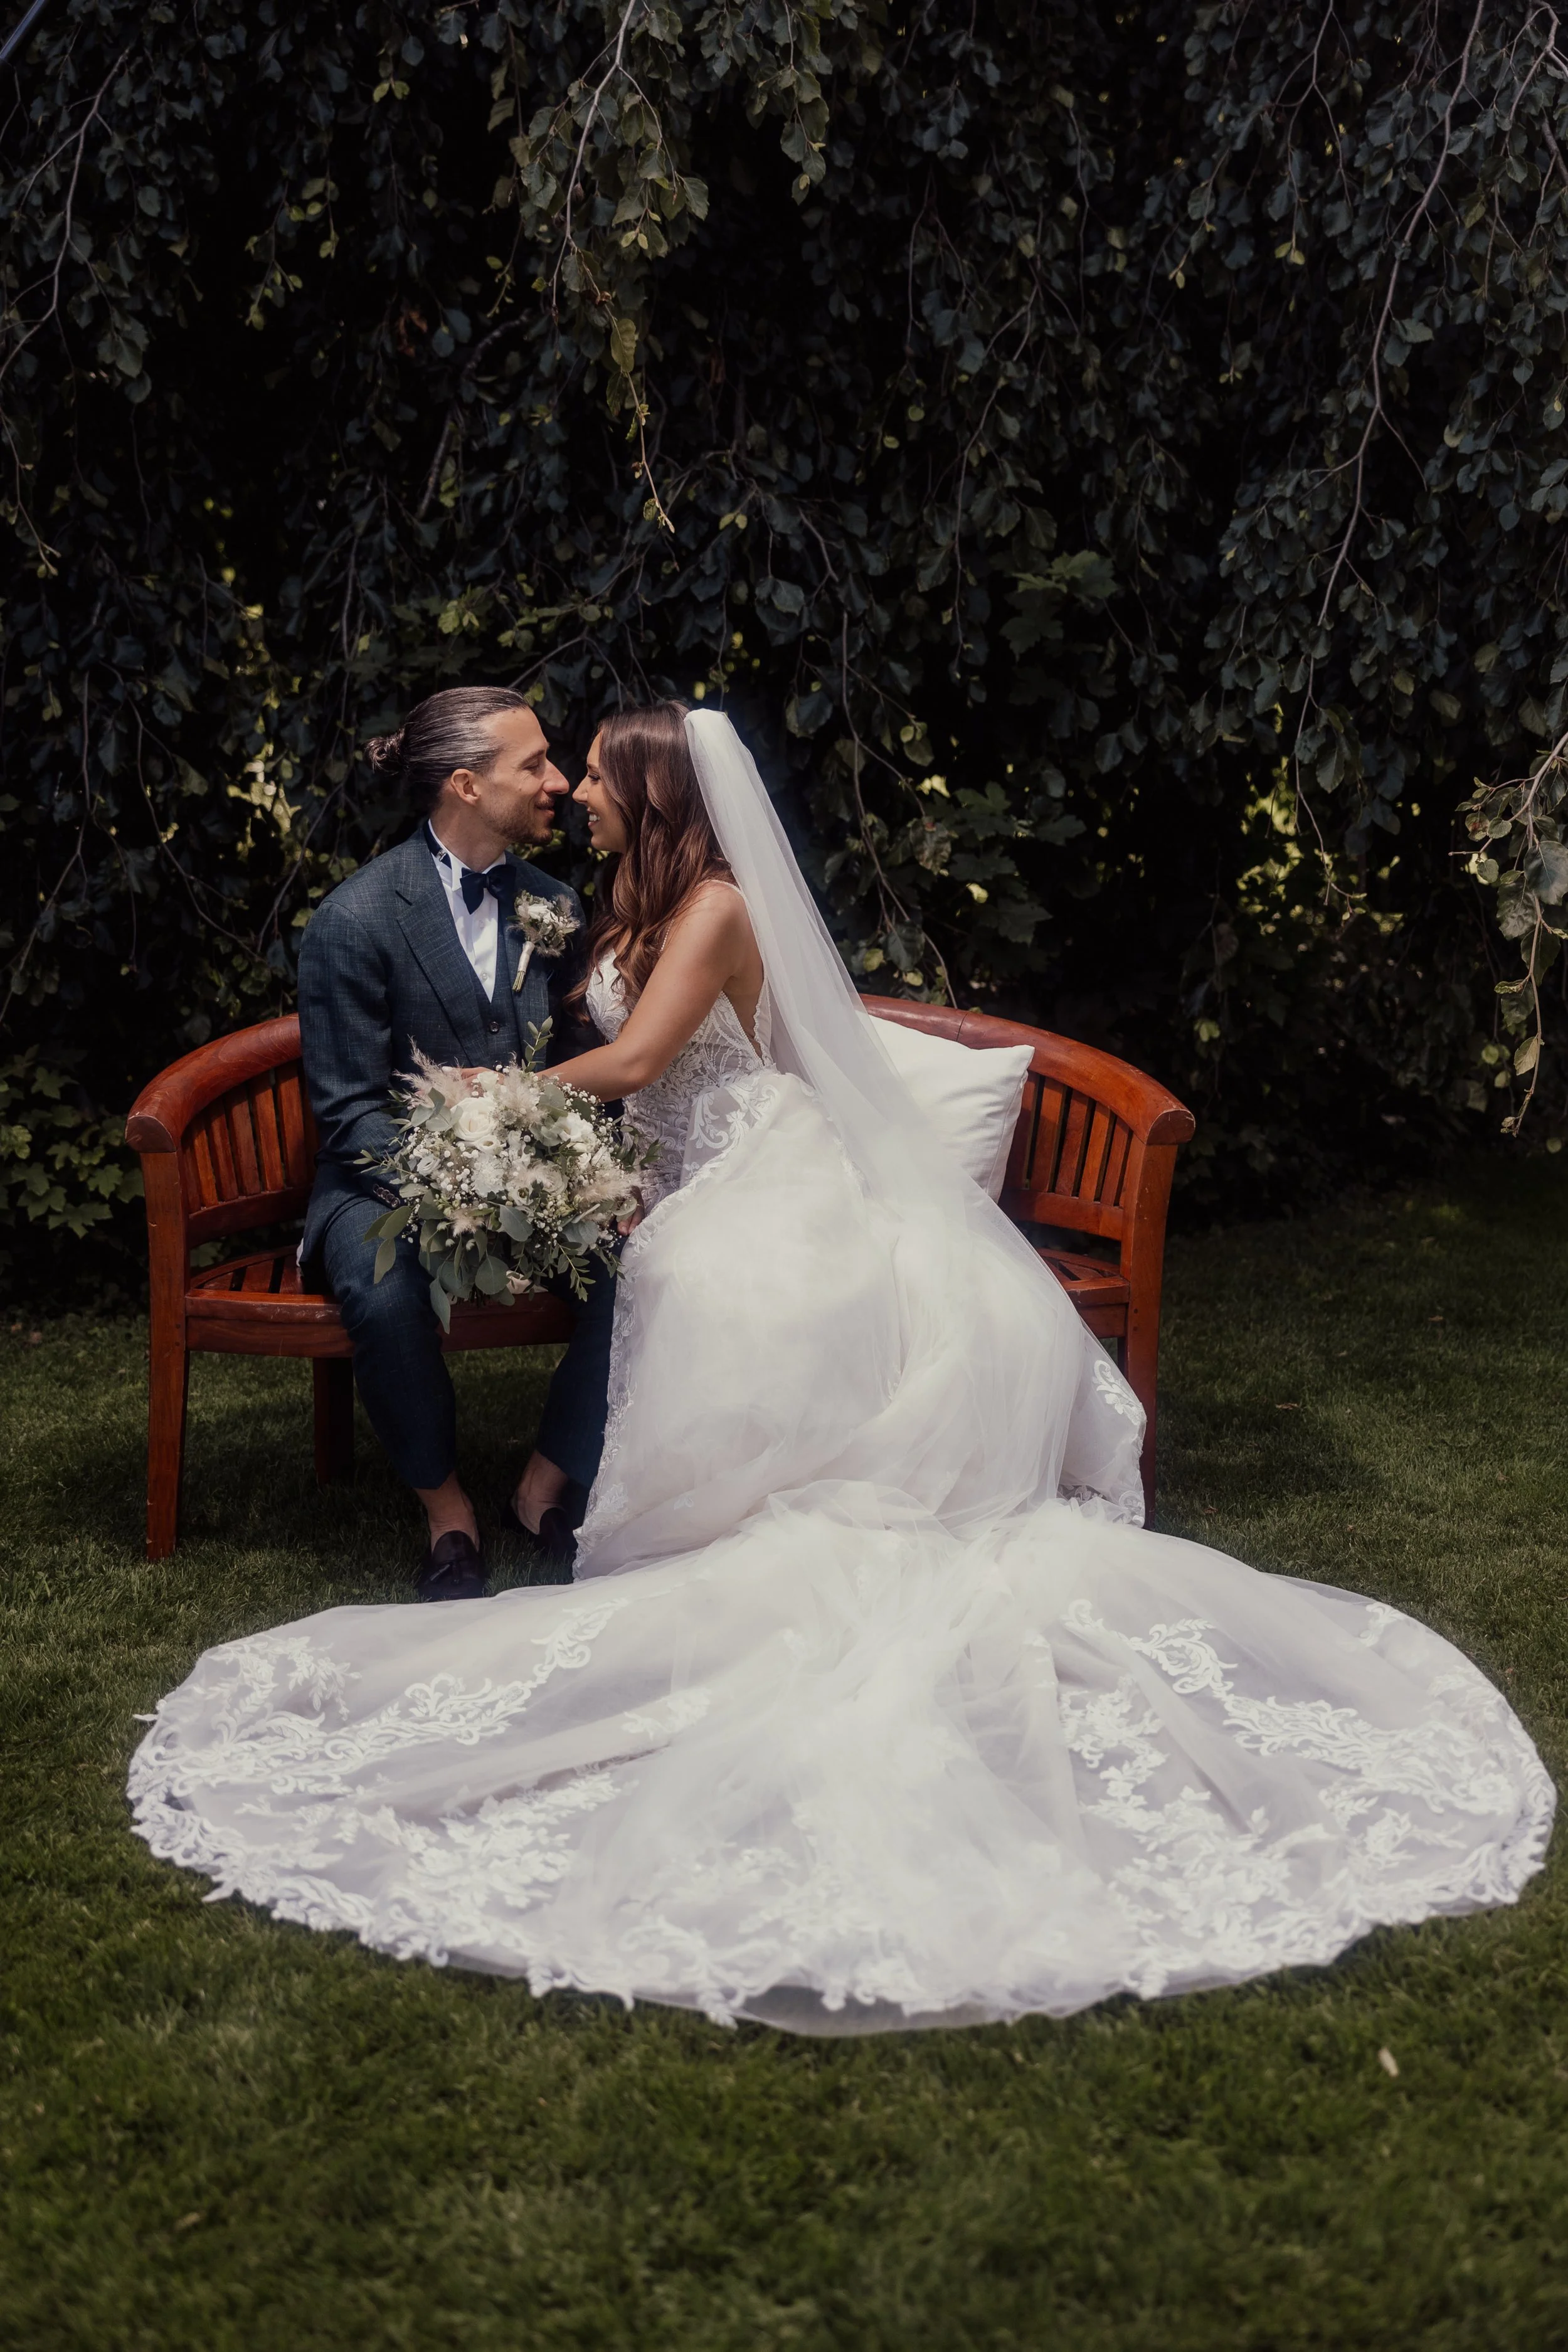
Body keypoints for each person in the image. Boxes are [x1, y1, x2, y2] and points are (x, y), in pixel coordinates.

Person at [130, 704, 1553, 2037]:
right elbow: (551, 1068)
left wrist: (493, 1110)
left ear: (653, 797)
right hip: (612, 1167)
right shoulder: (573, 904)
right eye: (547, 768)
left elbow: (630, 1064)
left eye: (595, 776)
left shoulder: (711, 907)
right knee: (646, 1262)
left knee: (686, 1275)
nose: (570, 789)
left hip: (750, 1166)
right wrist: (517, 1156)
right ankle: (509, 1493)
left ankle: (579, 1489)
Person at [295, 685, 613, 1601]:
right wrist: (453, 1191)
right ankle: (447, 1510)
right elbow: (350, 1112)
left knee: (649, 1270)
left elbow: (587, 1060)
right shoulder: (354, 920)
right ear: (467, 786)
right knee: (382, 1288)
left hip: (538, 1176)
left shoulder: (555, 904)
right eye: (536, 765)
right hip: (382, 1182)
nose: (558, 780)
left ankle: (545, 1480)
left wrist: (566, 1175)